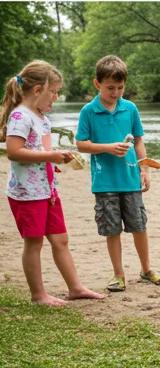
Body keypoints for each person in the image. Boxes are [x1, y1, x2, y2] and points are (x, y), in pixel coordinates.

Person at [2, 61, 104, 306]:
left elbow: (43, 151)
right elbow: (14, 152)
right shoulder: (19, 116)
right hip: (27, 193)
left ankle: (76, 287)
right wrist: (49, 156)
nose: (56, 97)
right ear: (37, 90)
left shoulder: (42, 119)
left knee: (61, 240)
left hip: (47, 191)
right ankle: (39, 296)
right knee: (34, 242)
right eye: (54, 91)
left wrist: (59, 159)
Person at [75, 54, 160, 292]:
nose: (115, 92)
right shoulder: (88, 111)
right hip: (104, 181)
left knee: (139, 225)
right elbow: (81, 144)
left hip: (130, 178)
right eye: (110, 88)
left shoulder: (130, 108)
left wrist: (144, 168)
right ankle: (118, 274)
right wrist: (107, 148)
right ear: (97, 84)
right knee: (112, 229)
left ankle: (146, 269)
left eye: (120, 87)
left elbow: (139, 141)